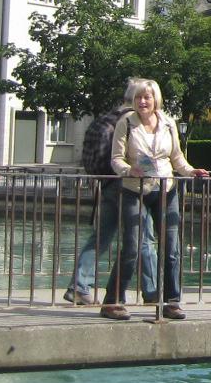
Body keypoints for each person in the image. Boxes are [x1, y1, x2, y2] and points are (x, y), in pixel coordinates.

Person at [100, 78, 208, 321]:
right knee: (133, 245)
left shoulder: (168, 123)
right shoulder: (125, 124)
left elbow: (177, 158)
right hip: (134, 189)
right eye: (139, 97)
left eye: (147, 97)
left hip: (165, 188)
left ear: (156, 99)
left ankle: (171, 301)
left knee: (171, 248)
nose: (142, 101)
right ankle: (113, 301)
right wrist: (129, 170)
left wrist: (191, 172)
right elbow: (116, 159)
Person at [65, 92, 157, 306]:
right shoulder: (132, 122)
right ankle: (151, 291)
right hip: (129, 184)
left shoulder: (106, 119)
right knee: (145, 237)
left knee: (102, 237)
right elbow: (140, 155)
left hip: (107, 185)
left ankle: (78, 286)